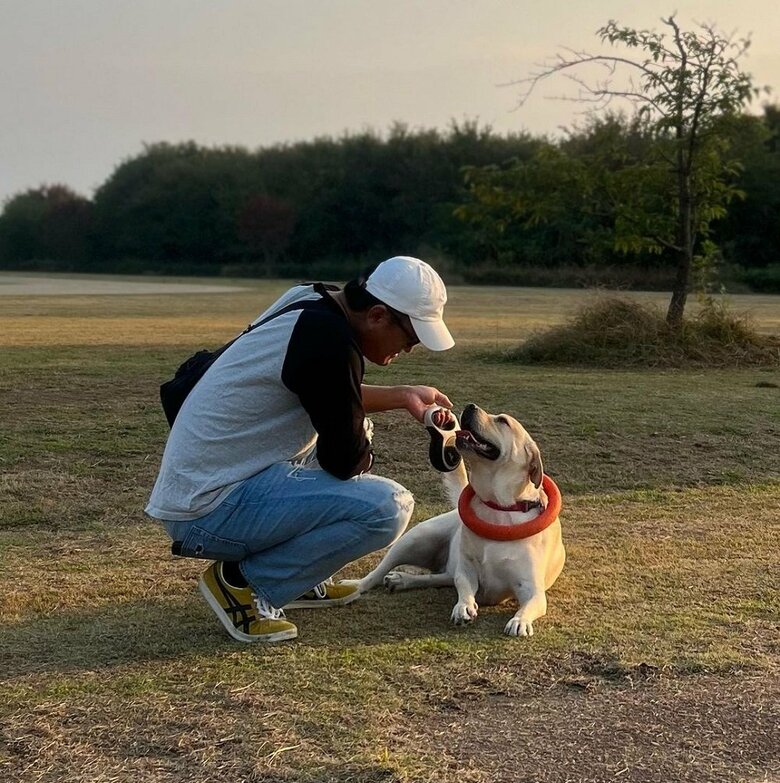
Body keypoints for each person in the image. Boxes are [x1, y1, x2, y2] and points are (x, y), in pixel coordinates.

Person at [145, 256, 455, 643]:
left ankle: (300, 579)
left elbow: (321, 389)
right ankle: (244, 583)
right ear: (377, 315)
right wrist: (361, 442)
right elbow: (345, 461)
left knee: (348, 437)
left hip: (203, 487)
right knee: (386, 507)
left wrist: (402, 395)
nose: (410, 350)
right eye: (410, 339)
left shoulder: (313, 301)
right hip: (208, 510)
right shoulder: (329, 342)